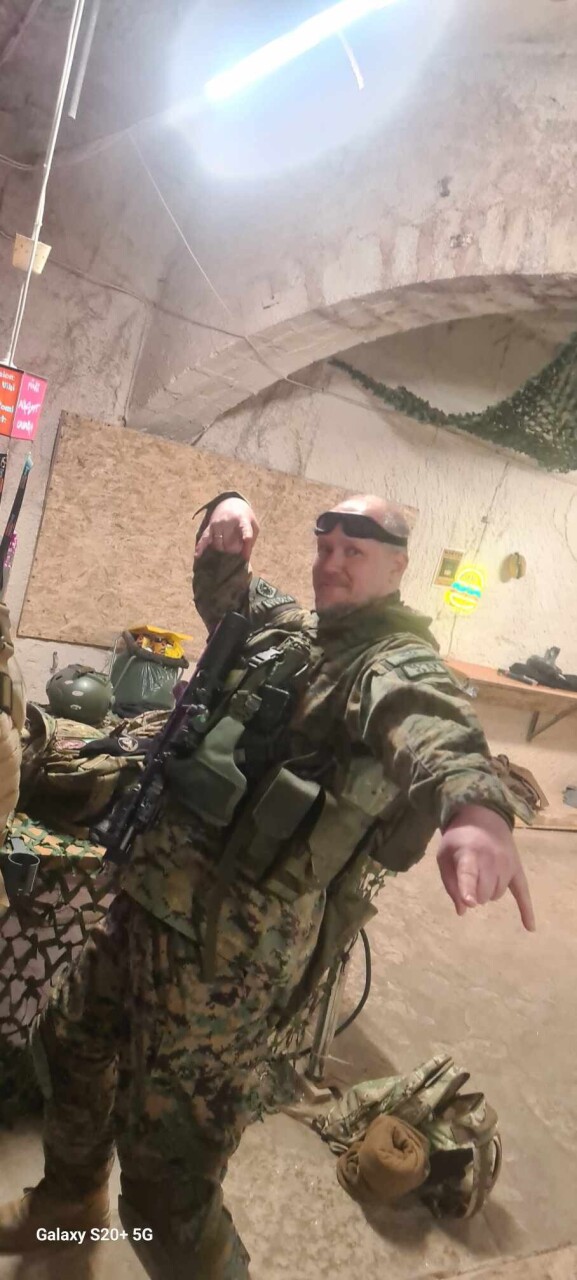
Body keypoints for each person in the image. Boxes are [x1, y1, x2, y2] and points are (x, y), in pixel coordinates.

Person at [0, 490, 534, 1278]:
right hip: (145, 904)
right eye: (325, 545)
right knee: (75, 1048)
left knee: (168, 1186)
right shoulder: (289, 633)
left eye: (355, 552)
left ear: (396, 566)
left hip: (228, 963)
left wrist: (475, 809)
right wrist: (224, 518)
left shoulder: (386, 664)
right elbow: (227, 591)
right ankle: (68, 1211)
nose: (332, 563)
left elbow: (429, 722)